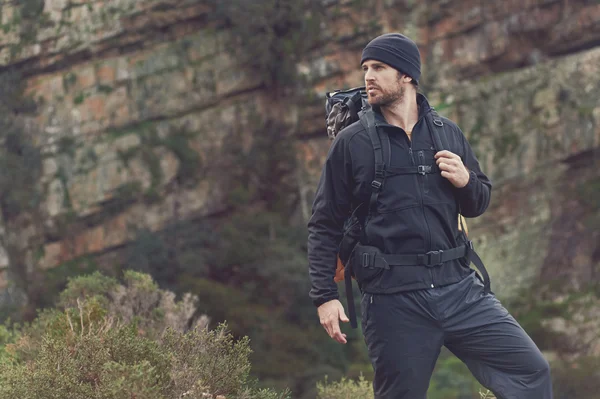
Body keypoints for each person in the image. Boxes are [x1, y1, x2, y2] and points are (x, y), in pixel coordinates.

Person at [307, 33, 552, 399]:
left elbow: (478, 202)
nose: (368, 76)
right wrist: (324, 296)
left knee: (531, 372)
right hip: (394, 300)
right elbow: (323, 224)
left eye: (379, 67)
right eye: (365, 68)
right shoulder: (353, 142)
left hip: (459, 289)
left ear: (406, 74)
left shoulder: (446, 133)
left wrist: (466, 180)